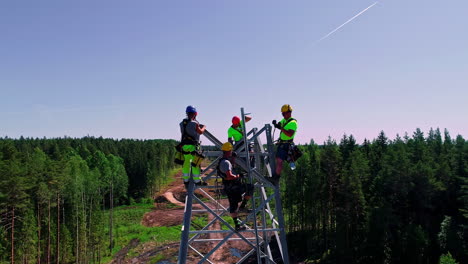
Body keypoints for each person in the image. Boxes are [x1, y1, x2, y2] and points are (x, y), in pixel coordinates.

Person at [218, 142, 254, 231]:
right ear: (229, 150)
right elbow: (230, 176)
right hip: (233, 186)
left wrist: (233, 158)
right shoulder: (225, 162)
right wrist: (238, 176)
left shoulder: (224, 161)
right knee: (250, 188)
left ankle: (237, 225)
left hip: (230, 187)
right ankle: (242, 207)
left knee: (233, 206)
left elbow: (231, 167)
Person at [270, 104, 298, 185]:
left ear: (289, 112)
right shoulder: (284, 120)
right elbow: (280, 124)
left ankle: (276, 178)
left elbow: (289, 134)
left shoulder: (293, 122)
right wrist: (276, 124)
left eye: (284, 113)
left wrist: (281, 128)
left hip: (286, 145)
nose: (283, 115)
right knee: (279, 161)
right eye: (282, 114)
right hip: (282, 144)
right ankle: (275, 177)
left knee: (279, 161)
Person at [179, 105, 207, 187]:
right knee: (195, 164)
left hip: (184, 146)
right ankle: (197, 181)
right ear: (195, 113)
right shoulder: (195, 123)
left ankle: (186, 180)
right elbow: (200, 132)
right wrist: (204, 127)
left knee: (186, 163)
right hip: (193, 146)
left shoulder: (181, 123)